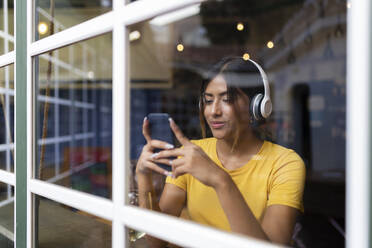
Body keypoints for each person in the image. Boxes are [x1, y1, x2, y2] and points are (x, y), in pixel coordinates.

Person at [135, 57, 305, 246]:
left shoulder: (285, 163)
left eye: (227, 100)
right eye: (208, 101)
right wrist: (144, 179)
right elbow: (156, 241)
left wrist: (221, 181)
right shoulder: (191, 153)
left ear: (256, 106)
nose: (213, 111)